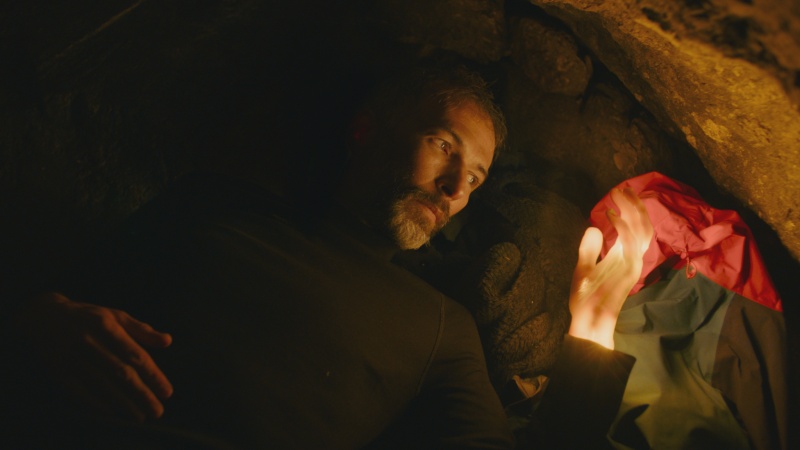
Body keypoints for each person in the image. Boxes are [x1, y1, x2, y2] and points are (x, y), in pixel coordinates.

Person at [1, 65, 653, 449]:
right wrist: (40, 315)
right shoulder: (213, 203)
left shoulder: (441, 328)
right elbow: (52, 278)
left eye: (476, 178)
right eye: (443, 145)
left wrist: (590, 336)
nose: (456, 188)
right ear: (365, 131)